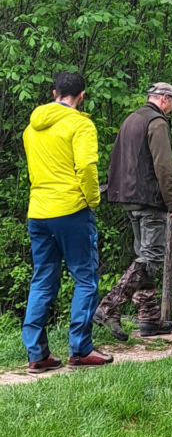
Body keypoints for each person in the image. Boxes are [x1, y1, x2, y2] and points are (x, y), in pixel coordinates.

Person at [22, 72, 111, 372]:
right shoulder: (81, 124)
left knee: (42, 279)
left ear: (54, 93)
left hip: (38, 211)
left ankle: (37, 354)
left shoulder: (31, 129)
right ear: (82, 95)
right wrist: (92, 199)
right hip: (71, 209)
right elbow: (85, 166)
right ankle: (81, 349)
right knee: (85, 277)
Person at [95, 83, 172, 341]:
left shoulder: (131, 119)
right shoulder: (156, 122)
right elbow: (164, 166)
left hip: (128, 197)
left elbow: (117, 159)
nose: (171, 111)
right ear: (164, 98)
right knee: (151, 257)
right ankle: (109, 307)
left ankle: (150, 318)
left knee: (144, 258)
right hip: (149, 199)